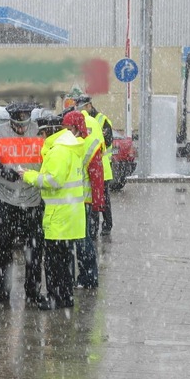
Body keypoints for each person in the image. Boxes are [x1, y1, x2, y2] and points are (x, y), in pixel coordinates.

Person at [0, 101, 45, 305]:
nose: (21, 128)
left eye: (24, 122)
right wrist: (3, 172)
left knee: (34, 253)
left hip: (33, 200)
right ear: (11, 118)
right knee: (3, 251)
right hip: (7, 199)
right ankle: (1, 293)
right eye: (17, 123)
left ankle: (33, 294)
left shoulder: (40, 132)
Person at [20, 115, 85, 310]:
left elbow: (53, 181)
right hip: (70, 215)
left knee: (54, 262)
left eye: (41, 133)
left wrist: (28, 176)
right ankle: (65, 297)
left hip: (59, 216)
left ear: (48, 131)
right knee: (64, 261)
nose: (39, 137)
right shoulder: (69, 147)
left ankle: (55, 298)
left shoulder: (59, 151)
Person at [62, 111, 104, 289]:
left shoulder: (89, 145)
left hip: (83, 202)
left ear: (77, 127)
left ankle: (89, 277)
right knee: (76, 241)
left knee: (82, 241)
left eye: (69, 128)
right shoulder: (70, 143)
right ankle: (78, 277)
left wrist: (97, 203)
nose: (67, 131)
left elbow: (97, 177)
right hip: (72, 202)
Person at [74, 94, 114, 237]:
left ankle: (107, 225)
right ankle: (93, 227)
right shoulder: (80, 120)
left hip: (102, 166)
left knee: (102, 199)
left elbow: (108, 141)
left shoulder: (101, 120)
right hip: (89, 167)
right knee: (92, 199)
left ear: (88, 106)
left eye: (81, 107)